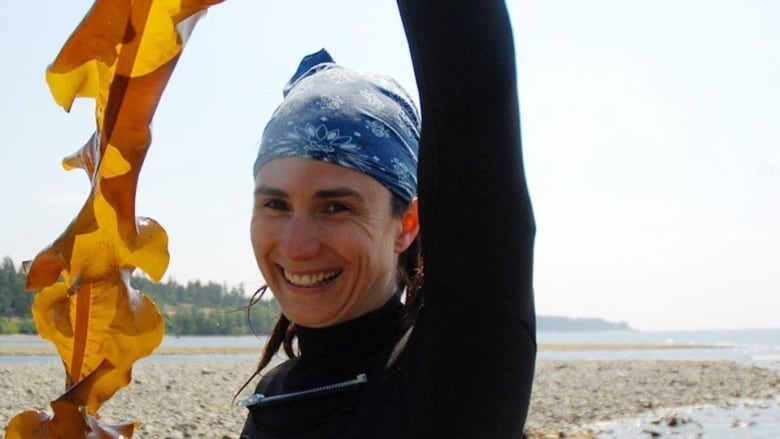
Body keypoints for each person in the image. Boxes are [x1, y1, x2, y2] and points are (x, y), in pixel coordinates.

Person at [239, 1, 536, 438]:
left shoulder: (451, 379)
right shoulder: (274, 391)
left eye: (336, 207)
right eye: (276, 205)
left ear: (408, 223)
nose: (296, 246)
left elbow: (472, 77)